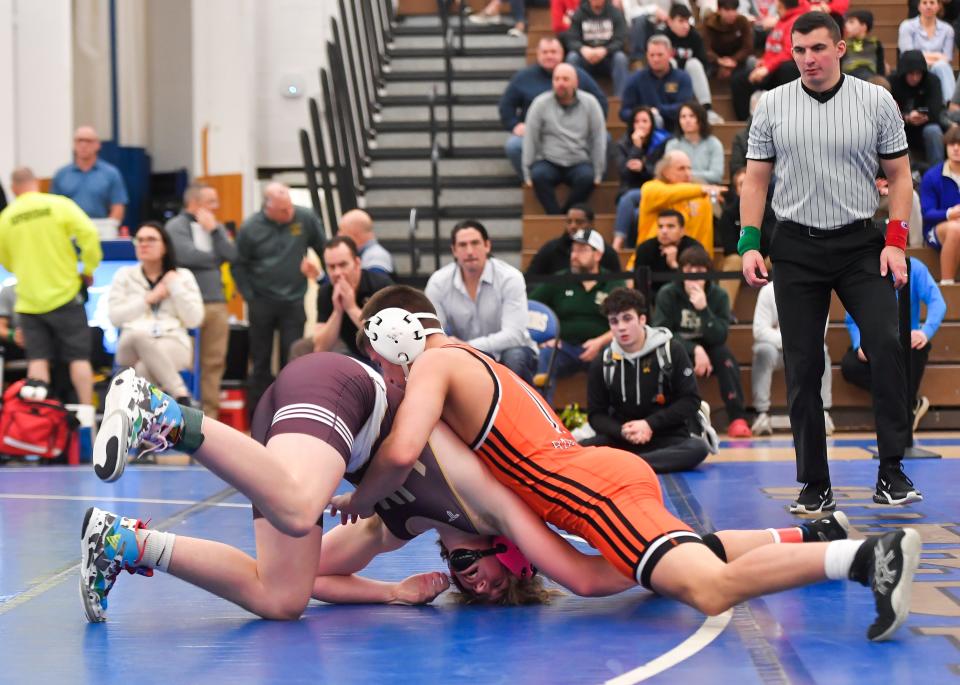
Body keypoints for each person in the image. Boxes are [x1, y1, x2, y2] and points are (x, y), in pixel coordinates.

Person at [328, 284, 919, 641]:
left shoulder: (436, 365)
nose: (387, 378)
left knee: (708, 590)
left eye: (381, 362)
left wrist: (359, 498)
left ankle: (867, 559)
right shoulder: (477, 364)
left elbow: (403, 451)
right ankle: (811, 535)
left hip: (589, 495)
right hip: (603, 476)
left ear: (397, 337)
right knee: (672, 566)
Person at [86, 354, 850, 614]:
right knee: (296, 502)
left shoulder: (402, 528)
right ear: (507, 552)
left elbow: (315, 577)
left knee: (279, 594)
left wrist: (388, 593)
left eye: (467, 589)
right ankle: (161, 410)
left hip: (308, 434)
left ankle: (124, 542)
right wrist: (680, 563)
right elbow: (585, 572)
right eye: (489, 579)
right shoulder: (497, 502)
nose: (472, 583)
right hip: (344, 392)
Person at [739, 12, 920, 514]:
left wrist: (896, 241)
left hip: (862, 244)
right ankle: (814, 482)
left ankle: (891, 469)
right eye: (798, 50)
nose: (807, 59)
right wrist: (749, 243)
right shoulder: (773, 104)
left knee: (886, 342)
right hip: (795, 246)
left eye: (817, 48)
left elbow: (900, 177)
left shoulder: (876, 100)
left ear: (841, 49)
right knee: (802, 363)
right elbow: (754, 181)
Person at [0, 167, 101, 409]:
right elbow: (88, 233)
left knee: (37, 360)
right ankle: (87, 420)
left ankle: (40, 420)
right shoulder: (59, 205)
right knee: (78, 359)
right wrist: (88, 267)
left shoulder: (6, 218)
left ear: (14, 189)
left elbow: (6, 261)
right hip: (65, 294)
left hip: (29, 301)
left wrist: (27, 270)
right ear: (37, 183)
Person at [582, 287, 712, 472]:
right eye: (614, 321)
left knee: (698, 448)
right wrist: (623, 431)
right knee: (578, 450)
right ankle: (636, 464)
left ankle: (630, 465)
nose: (621, 327)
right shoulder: (602, 362)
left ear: (642, 319)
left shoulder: (672, 350)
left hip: (666, 436)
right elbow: (596, 415)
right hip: (622, 439)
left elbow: (690, 401)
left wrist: (649, 424)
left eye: (627, 318)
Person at [232, 182, 326, 415]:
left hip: (293, 300)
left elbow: (324, 247)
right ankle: (259, 414)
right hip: (261, 301)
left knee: (292, 357)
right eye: (283, 210)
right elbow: (238, 265)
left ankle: (289, 410)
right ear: (268, 208)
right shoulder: (250, 227)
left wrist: (322, 274)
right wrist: (249, 296)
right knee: (261, 360)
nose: (289, 213)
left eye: (290, 206)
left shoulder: (304, 218)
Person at [653, 245, 753, 437]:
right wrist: (695, 349)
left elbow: (720, 335)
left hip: (712, 347)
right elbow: (662, 332)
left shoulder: (718, 295)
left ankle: (737, 418)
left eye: (699, 270)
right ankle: (675, 418)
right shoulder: (668, 294)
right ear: (681, 271)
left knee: (725, 357)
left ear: (707, 272)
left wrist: (704, 309)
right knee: (666, 360)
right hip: (678, 348)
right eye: (688, 269)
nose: (693, 275)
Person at [424, 220, 538, 383]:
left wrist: (467, 346)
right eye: (463, 245)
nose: (470, 251)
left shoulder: (510, 278)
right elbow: (433, 332)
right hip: (465, 355)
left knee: (515, 357)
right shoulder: (438, 282)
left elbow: (514, 336)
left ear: (487, 246)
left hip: (511, 351)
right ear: (454, 251)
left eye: (475, 243)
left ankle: (518, 408)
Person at [841, 257, 946, 433]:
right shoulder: (865, 270)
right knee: (850, 365)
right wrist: (859, 344)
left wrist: (925, 332)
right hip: (875, 342)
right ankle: (908, 404)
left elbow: (938, 302)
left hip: (906, 342)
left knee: (918, 347)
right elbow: (851, 319)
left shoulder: (915, 268)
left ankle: (904, 412)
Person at [108, 222, 204, 405]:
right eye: (140, 240)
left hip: (172, 341)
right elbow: (114, 317)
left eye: (151, 240)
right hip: (130, 345)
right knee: (138, 336)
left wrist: (175, 286)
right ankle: (180, 394)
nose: (144, 244)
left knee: (144, 368)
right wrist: (148, 299)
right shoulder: (124, 275)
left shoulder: (183, 276)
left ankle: (145, 426)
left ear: (165, 246)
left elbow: (194, 320)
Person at [165, 183, 238, 418]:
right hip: (186, 304)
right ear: (194, 203)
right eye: (211, 202)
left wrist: (215, 232)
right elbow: (185, 255)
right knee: (185, 362)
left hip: (216, 302)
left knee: (214, 363)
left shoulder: (214, 228)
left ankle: (209, 419)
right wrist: (215, 258)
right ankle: (178, 418)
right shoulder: (176, 226)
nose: (216, 207)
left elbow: (232, 255)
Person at [501, 37, 609, 180]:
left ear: (562, 53)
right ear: (537, 54)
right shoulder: (523, 77)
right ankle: (533, 183)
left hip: (576, 135)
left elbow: (600, 101)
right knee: (513, 146)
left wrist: (589, 127)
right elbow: (505, 106)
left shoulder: (577, 75)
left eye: (553, 52)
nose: (549, 56)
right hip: (538, 135)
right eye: (545, 52)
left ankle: (592, 179)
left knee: (605, 138)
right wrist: (514, 125)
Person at [529, 228, 626, 382]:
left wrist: (600, 342)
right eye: (573, 249)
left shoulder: (614, 282)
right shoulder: (559, 279)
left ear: (598, 254)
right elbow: (530, 307)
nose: (574, 255)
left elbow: (627, 321)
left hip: (602, 346)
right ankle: (541, 405)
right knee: (545, 355)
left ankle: (611, 406)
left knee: (614, 355)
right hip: (564, 347)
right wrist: (544, 337)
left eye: (582, 250)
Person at [751, 281, 835, 436]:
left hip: (805, 350)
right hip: (777, 351)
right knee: (763, 351)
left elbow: (818, 334)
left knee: (821, 350)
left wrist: (791, 339)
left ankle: (823, 413)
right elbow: (759, 330)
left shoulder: (819, 290)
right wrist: (792, 339)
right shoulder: (768, 291)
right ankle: (761, 413)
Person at [290, 236, 393, 361]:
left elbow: (387, 338)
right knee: (300, 348)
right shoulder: (326, 292)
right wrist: (337, 311)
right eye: (331, 267)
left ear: (357, 263)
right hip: (348, 345)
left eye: (343, 265)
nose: (337, 272)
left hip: (381, 351)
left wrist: (351, 308)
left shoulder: (380, 286)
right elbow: (320, 347)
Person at [523, 64, 607, 215]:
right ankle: (555, 216)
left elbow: (598, 138)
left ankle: (567, 214)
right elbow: (530, 138)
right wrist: (527, 171)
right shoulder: (540, 104)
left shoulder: (591, 103)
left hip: (579, 160)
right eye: (557, 79)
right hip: (549, 160)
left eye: (565, 79)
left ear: (576, 82)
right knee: (538, 176)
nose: (560, 83)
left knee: (587, 178)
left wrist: (598, 171)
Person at [730, 0, 804, 121]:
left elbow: (789, 52)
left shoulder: (796, 21)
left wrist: (766, 68)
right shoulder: (781, 20)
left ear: (781, 4)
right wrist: (763, 61)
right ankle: (745, 123)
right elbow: (773, 49)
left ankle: (790, 118)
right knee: (739, 80)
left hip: (783, 70)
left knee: (787, 68)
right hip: (771, 67)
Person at [635, 150, 724, 250]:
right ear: (665, 172)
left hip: (690, 260)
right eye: (681, 169)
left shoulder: (701, 196)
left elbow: (704, 235)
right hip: (651, 258)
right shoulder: (650, 188)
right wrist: (702, 189)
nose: (688, 173)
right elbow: (669, 193)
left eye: (689, 168)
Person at [613, 107, 671, 250]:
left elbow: (662, 172)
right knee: (628, 202)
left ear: (652, 123)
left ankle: (627, 245)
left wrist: (644, 168)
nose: (641, 125)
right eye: (637, 121)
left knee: (638, 213)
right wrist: (636, 147)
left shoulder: (661, 143)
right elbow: (625, 173)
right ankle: (622, 245)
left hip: (655, 189)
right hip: (629, 189)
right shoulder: (622, 144)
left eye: (645, 121)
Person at [651, 4, 720, 120]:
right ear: (670, 21)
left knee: (694, 63)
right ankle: (666, 107)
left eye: (687, 21)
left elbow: (704, 64)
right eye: (681, 21)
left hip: (689, 80)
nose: (685, 25)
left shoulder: (694, 36)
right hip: (666, 83)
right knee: (669, 62)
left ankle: (707, 108)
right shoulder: (661, 36)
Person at [51, 126, 128, 222]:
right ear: (73, 144)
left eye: (88, 141)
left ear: (98, 145)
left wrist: (108, 229)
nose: (83, 145)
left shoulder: (111, 174)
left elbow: (118, 207)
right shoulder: (61, 175)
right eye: (79, 140)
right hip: (70, 230)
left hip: (100, 230)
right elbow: (54, 208)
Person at [525, 204, 623, 278]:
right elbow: (531, 279)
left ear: (591, 224)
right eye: (569, 222)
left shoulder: (606, 252)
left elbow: (617, 281)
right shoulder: (551, 249)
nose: (573, 226)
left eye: (579, 222)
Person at [620, 36, 695, 131]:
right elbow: (624, 112)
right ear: (647, 55)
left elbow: (685, 107)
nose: (655, 59)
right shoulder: (635, 79)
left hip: (676, 133)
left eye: (660, 55)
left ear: (670, 54)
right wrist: (644, 114)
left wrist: (658, 111)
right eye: (652, 55)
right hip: (643, 134)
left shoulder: (683, 78)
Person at [919, 122, 960, 284]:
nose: (956, 148)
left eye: (959, 144)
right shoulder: (932, 175)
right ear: (945, 146)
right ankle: (947, 283)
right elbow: (927, 213)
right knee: (956, 228)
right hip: (936, 230)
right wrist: (950, 213)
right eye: (952, 144)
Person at [890, 50, 945, 170]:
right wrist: (907, 117)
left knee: (934, 130)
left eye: (918, 73)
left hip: (926, 127)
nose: (915, 78)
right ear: (903, 73)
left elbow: (936, 110)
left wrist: (924, 116)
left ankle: (937, 172)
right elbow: (886, 113)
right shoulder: (893, 82)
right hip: (900, 128)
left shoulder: (932, 81)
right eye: (911, 73)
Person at [630, 209, 704, 296]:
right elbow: (639, 287)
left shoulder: (694, 248)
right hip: (653, 302)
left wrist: (674, 265)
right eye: (660, 226)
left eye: (670, 226)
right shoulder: (645, 248)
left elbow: (696, 285)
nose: (664, 231)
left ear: (682, 231)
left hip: (686, 299)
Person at [564, 0, 630, 97]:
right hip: (586, 58)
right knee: (572, 57)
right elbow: (571, 39)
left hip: (608, 57)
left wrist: (605, 50)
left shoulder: (615, 13)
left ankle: (620, 99)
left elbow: (620, 39)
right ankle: (574, 97)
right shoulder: (579, 13)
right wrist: (583, 49)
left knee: (620, 58)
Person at [898, 0, 956, 105]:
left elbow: (947, 58)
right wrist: (937, 56)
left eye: (932, 3)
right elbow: (908, 55)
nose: (928, 6)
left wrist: (922, 56)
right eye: (924, 3)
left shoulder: (948, 29)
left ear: (938, 6)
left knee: (942, 66)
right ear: (919, 7)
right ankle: (950, 106)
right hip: (913, 69)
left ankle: (949, 105)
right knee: (940, 65)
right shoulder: (906, 26)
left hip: (938, 69)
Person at [664, 101, 725, 184]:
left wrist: (684, 174)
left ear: (701, 119)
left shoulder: (714, 144)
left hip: (706, 191)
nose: (687, 120)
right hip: (679, 190)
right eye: (683, 117)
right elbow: (670, 173)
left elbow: (716, 175)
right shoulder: (672, 145)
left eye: (692, 116)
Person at [702, 0, 754, 84]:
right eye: (727, 10)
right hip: (715, 62)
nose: (731, 14)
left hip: (738, 61)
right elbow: (705, 48)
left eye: (734, 10)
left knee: (751, 61)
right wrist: (718, 61)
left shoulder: (743, 22)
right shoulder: (709, 23)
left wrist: (733, 60)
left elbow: (748, 47)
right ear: (719, 10)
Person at [336, 209, 394, 276]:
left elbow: (374, 285)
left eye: (341, 231)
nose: (338, 235)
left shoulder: (376, 259)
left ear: (354, 234)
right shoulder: (365, 255)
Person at [841, 10, 885, 81]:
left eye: (851, 22)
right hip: (849, 78)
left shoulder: (875, 43)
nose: (846, 25)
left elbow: (880, 67)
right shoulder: (843, 44)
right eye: (846, 22)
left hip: (870, 78)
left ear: (863, 26)